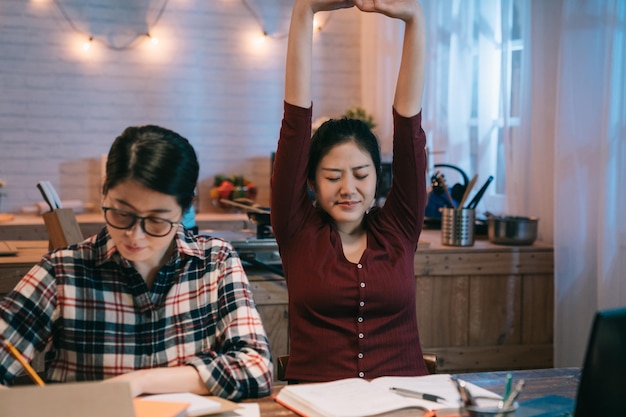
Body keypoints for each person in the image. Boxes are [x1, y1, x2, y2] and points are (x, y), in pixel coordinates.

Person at [0, 125, 273, 399]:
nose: (134, 235)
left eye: (156, 220)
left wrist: (140, 382)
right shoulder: (63, 271)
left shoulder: (214, 261)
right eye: (121, 213)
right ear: (104, 193)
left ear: (185, 209)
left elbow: (257, 368)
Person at [271, 0, 429, 382]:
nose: (349, 189)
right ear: (309, 181)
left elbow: (409, 128)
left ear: (378, 176)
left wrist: (414, 19)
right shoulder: (296, 231)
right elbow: (295, 126)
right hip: (318, 404)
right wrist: (305, 10)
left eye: (361, 174)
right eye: (332, 176)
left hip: (404, 402)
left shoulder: (400, 228)